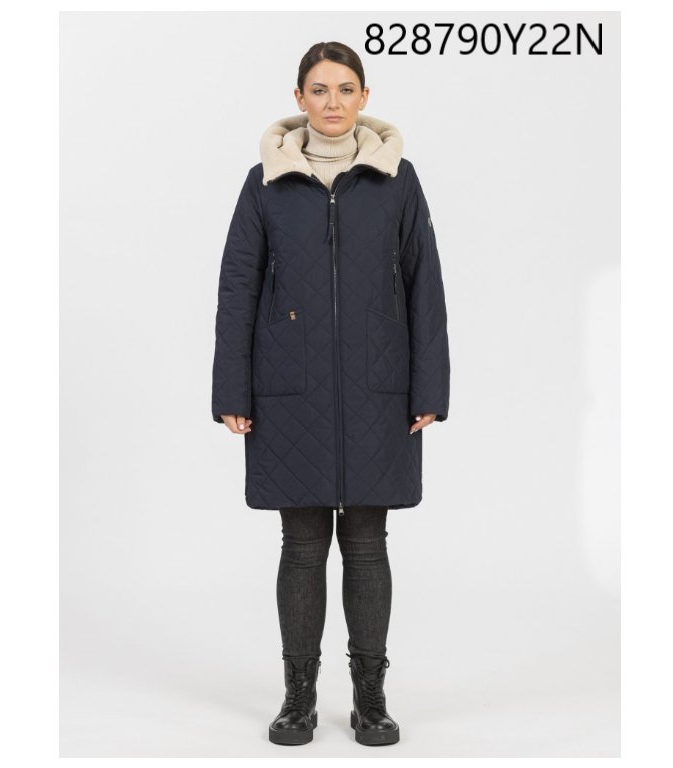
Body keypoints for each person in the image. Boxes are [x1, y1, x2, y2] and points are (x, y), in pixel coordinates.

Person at [211, 41, 451, 746]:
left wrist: (429, 385)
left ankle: (371, 698)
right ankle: (299, 697)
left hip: (381, 386)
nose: (333, 102)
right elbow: (237, 288)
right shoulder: (264, 182)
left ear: (365, 97)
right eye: (319, 89)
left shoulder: (397, 179)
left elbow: (425, 285)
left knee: (368, 544)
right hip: (290, 389)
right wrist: (232, 388)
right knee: (302, 544)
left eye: (346, 89)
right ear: (299, 99)